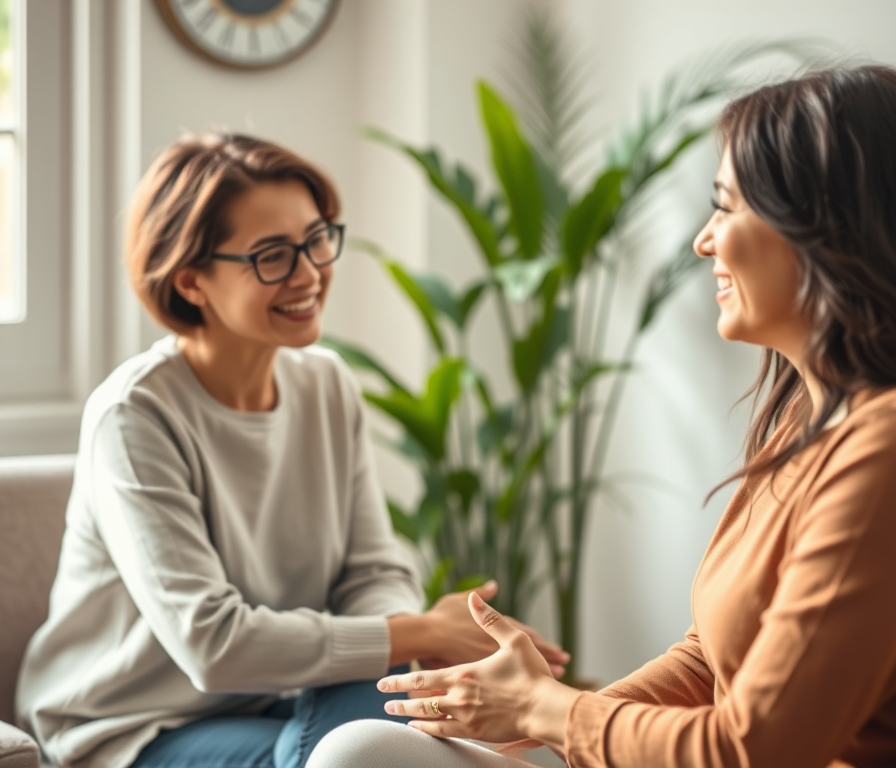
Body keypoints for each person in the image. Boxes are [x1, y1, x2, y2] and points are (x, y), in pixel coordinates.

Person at [307, 64, 896, 768]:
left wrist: (543, 708)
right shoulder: (815, 423)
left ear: (828, 231)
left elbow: (756, 749)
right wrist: (531, 723)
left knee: (357, 756)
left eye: (727, 206)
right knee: (367, 747)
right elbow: (709, 658)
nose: (703, 241)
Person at [14, 133, 567, 768]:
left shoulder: (326, 384)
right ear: (191, 281)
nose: (309, 274)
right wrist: (423, 632)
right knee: (379, 738)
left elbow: (373, 570)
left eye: (316, 240)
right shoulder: (133, 415)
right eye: (272, 256)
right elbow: (214, 646)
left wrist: (399, 646)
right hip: (132, 727)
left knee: (383, 709)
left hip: (279, 697)